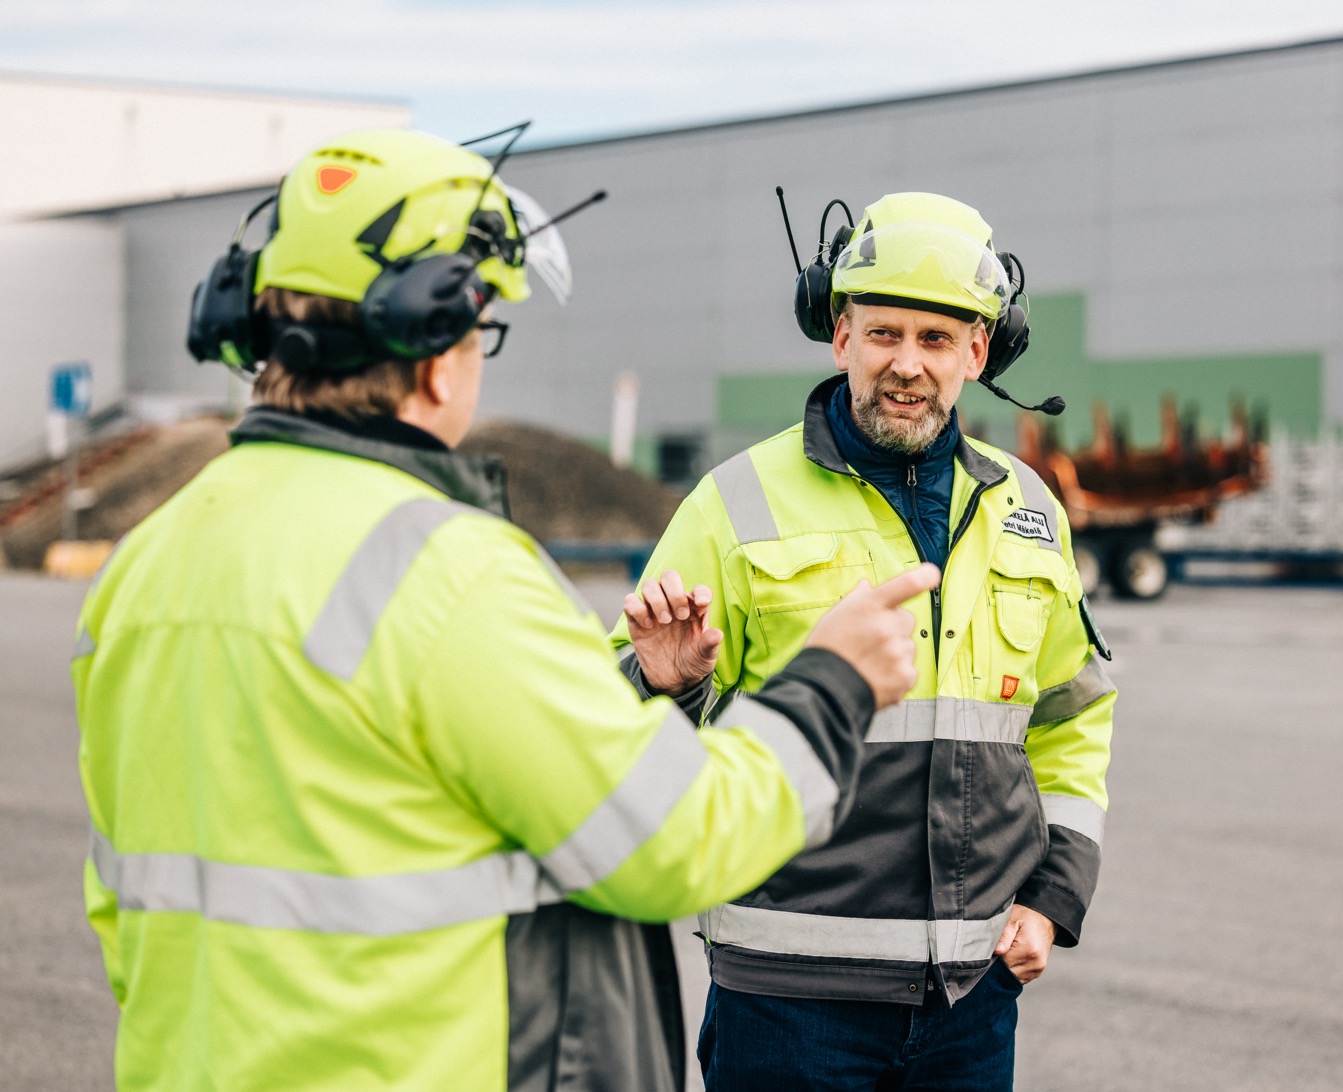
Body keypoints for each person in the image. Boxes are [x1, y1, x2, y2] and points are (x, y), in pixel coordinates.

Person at [71, 128, 940, 1092]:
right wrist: (829, 684)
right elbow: (673, 842)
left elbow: (122, 906)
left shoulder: (146, 559)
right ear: (442, 357)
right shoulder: (441, 570)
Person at [617, 191, 1117, 1090]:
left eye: (936, 340)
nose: (907, 366)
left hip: (974, 999)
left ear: (980, 349)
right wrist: (664, 684)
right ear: (839, 336)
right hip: (788, 1001)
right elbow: (604, 724)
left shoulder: (1030, 510)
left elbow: (1071, 719)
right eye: (883, 334)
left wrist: (1052, 898)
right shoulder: (735, 504)